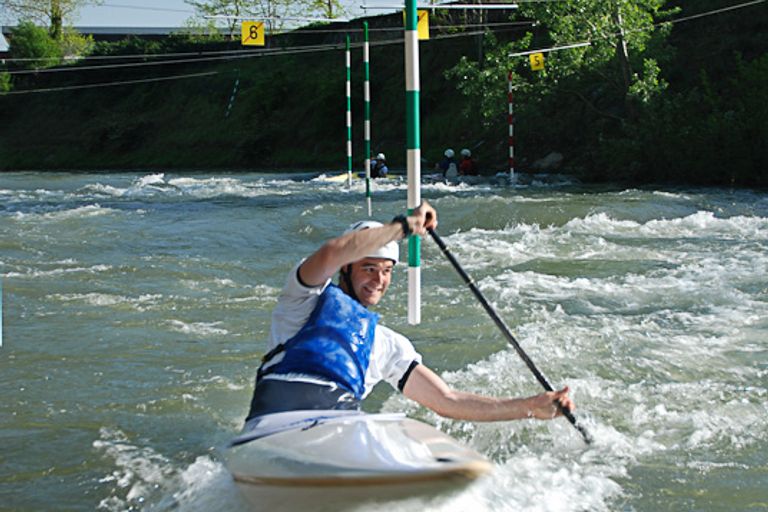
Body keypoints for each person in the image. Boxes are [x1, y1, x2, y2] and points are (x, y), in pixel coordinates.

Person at [245, 201, 574, 426]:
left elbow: (448, 401)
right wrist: (405, 226)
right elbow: (333, 251)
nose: (378, 279)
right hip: (275, 422)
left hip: (337, 429)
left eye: (387, 271)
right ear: (345, 270)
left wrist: (531, 406)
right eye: (369, 268)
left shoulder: (389, 345)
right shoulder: (302, 300)